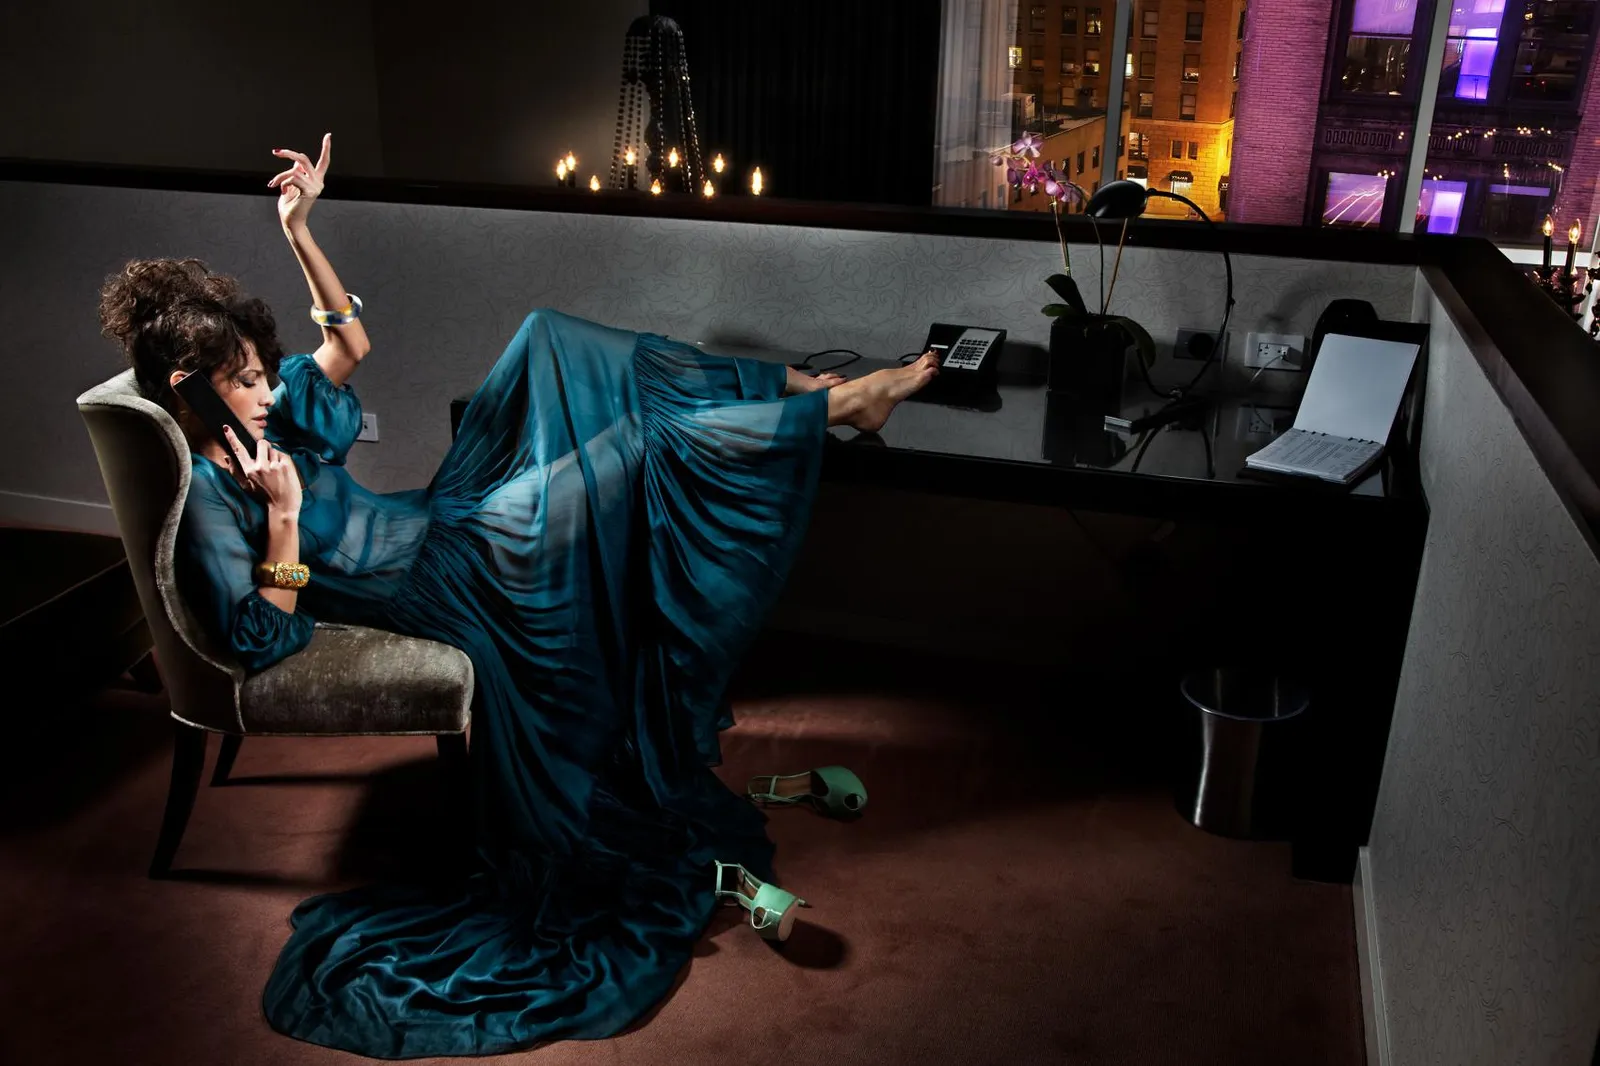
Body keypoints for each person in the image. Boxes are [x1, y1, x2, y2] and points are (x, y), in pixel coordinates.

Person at [96, 133, 938, 1059]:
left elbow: (349, 342)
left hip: (436, 517)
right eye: (245, 380)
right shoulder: (212, 500)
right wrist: (287, 520)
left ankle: (794, 384)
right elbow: (262, 637)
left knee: (548, 337)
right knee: (626, 455)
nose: (265, 390)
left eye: (262, 370)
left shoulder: (271, 419)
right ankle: (834, 409)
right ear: (190, 391)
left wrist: (301, 230)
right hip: (428, 581)